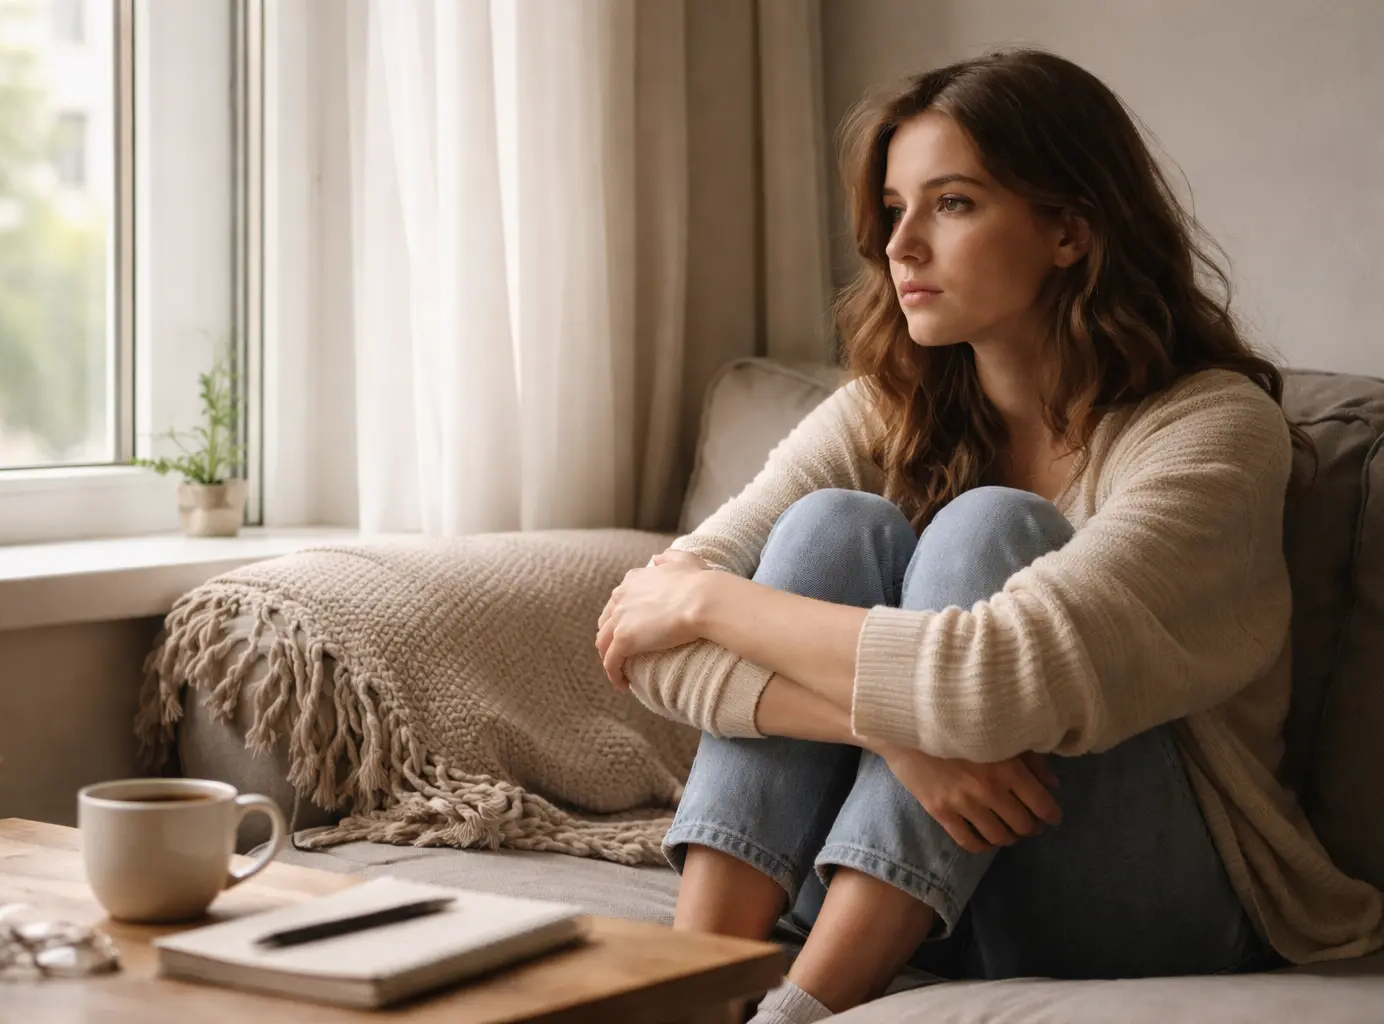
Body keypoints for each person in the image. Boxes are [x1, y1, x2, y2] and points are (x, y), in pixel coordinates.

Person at [593, 48, 1384, 1024]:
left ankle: (792, 1014)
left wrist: (717, 598)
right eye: (894, 208)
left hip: (1134, 894)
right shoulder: (889, 408)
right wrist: (896, 728)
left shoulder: (1212, 431)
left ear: (1069, 229)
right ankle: (683, 995)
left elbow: (990, 679)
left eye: (952, 203)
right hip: (890, 868)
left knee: (988, 528)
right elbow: (646, 641)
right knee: (830, 527)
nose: (901, 246)